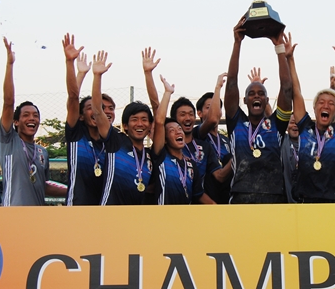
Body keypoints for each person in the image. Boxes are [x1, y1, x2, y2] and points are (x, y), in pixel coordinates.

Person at [224, 17, 293, 204]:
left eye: (261, 93)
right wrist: (237, 43)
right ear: (245, 100)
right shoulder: (236, 122)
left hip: (273, 198)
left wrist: (279, 47)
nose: (256, 96)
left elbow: (287, 88)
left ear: (266, 100)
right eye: (252, 94)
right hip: (241, 196)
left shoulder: (277, 125)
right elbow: (231, 83)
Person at [285, 33, 335, 202]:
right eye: (321, 102)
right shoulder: (305, 128)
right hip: (305, 202)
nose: (326, 106)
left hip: (333, 202)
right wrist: (290, 59)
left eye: (331, 103)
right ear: (315, 108)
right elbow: (296, 93)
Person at [0, 38, 65, 206]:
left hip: (36, 219)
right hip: (11, 214)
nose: (32, 119)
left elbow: (43, 185)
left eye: (35, 116)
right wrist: (10, 65)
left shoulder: (42, 152)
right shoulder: (9, 142)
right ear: (15, 122)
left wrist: (73, 190)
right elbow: (8, 102)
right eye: (26, 115)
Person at [91, 50, 154, 205]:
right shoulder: (115, 141)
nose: (140, 124)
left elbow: (158, 110)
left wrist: (148, 74)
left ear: (150, 125)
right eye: (134, 120)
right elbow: (98, 112)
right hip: (110, 215)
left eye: (144, 120)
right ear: (125, 125)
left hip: (136, 219)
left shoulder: (151, 155)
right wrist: (97, 76)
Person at [63, 34, 117, 206]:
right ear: (81, 115)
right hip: (76, 208)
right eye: (92, 108)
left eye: (109, 108)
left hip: (103, 212)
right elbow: (73, 97)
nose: (101, 112)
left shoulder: (111, 141)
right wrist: (73, 66)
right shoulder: (76, 134)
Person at [145, 75, 215, 205]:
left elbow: (198, 194)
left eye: (179, 129)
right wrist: (167, 93)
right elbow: (159, 120)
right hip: (163, 217)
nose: (178, 132)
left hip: (185, 219)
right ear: (164, 140)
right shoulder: (161, 156)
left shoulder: (191, 164)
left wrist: (216, 207)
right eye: (171, 131)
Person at [192, 73, 234, 204]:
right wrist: (218, 88)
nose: (216, 111)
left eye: (218, 108)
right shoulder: (198, 134)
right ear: (199, 113)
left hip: (226, 195)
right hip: (207, 196)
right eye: (209, 107)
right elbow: (212, 119)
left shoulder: (226, 140)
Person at [280, 114, 300, 203]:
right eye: (292, 122)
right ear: (287, 126)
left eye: (298, 123)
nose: (295, 125)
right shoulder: (282, 141)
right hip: (286, 199)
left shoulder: (311, 144)